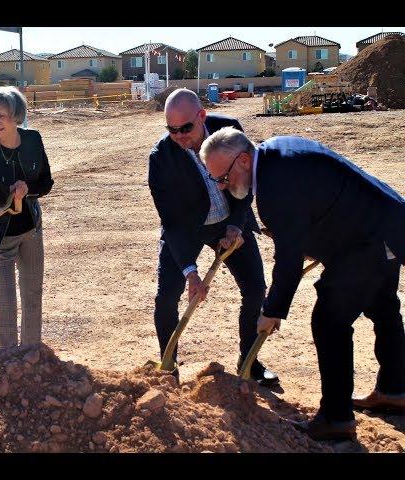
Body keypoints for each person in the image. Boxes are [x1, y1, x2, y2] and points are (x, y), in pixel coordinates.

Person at [201, 127, 405, 441]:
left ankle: (336, 419)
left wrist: (272, 310)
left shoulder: (273, 186)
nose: (224, 187)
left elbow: (289, 259)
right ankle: (394, 389)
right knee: (383, 307)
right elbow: (316, 204)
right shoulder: (275, 153)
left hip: (370, 240)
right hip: (385, 224)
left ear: (242, 160)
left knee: (329, 321)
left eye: (223, 179)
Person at [147, 88, 278, 385]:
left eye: (186, 128)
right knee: (167, 296)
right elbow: (171, 221)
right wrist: (191, 273)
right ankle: (168, 368)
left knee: (256, 289)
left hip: (230, 222)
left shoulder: (228, 130)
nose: (178, 135)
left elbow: (247, 182)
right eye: (171, 129)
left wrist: (236, 224)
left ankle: (249, 362)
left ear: (201, 116)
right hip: (186, 229)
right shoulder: (161, 159)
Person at [0, 86, 54, 352]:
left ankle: (30, 354)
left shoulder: (33, 141)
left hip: (30, 231)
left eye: (1, 115)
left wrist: (29, 188)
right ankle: (4, 362)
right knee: (4, 303)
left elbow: (46, 182)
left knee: (32, 296)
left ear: (16, 116)